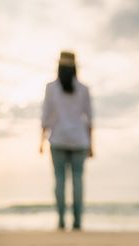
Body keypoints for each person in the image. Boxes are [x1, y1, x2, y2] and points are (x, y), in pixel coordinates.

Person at [39, 51, 94, 230]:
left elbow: (45, 116)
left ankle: (61, 220)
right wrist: (91, 144)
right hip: (79, 139)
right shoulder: (83, 89)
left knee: (60, 180)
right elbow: (90, 118)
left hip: (58, 138)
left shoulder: (51, 88)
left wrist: (40, 141)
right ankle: (77, 222)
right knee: (78, 180)